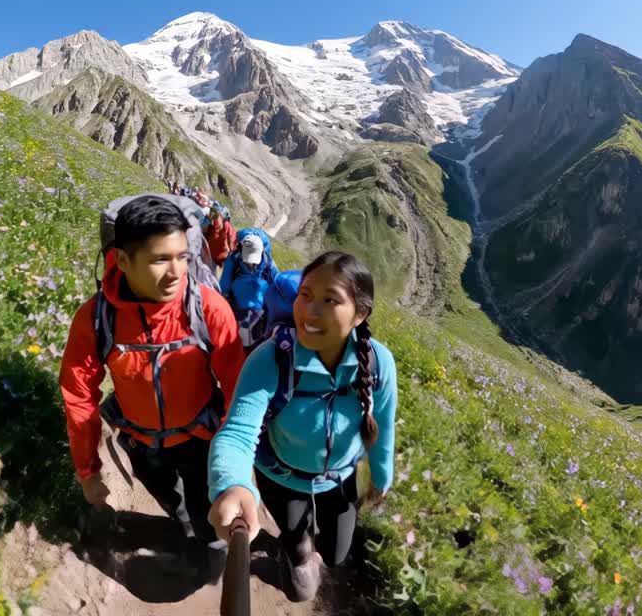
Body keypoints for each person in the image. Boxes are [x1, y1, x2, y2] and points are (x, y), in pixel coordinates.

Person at [207, 251, 397, 602]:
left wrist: (380, 477)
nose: (309, 310)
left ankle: (307, 551)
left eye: (329, 300)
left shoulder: (379, 363)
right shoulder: (271, 358)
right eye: (305, 295)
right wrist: (232, 484)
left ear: (360, 314)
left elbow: (381, 425)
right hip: (281, 476)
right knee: (298, 548)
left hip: (341, 478)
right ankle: (293, 555)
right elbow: (237, 432)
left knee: (337, 553)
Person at [59, 195, 246, 550]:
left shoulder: (208, 308)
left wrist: (233, 460)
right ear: (124, 261)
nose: (176, 272)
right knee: (175, 504)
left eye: (182, 257)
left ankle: (208, 544)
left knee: (206, 510)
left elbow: (239, 387)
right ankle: (189, 530)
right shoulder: (96, 320)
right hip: (142, 445)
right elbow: (78, 394)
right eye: (161, 259)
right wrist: (88, 470)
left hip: (202, 440)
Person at [219, 229, 279, 350]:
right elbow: (225, 280)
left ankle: (245, 353)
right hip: (241, 305)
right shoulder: (235, 257)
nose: (251, 265)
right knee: (244, 338)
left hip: (256, 308)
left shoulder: (268, 262)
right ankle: (243, 353)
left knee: (249, 337)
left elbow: (277, 282)